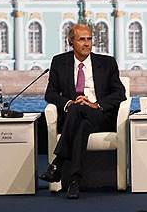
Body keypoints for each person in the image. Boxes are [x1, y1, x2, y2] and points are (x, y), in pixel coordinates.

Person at [39, 23, 127, 199]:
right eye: (81, 39)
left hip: (100, 115)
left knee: (81, 111)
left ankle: (58, 162)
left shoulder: (107, 62)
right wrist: (69, 103)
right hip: (75, 117)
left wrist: (95, 104)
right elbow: (51, 94)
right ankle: (74, 181)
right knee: (80, 122)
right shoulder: (59, 62)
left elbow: (120, 93)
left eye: (89, 39)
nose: (87, 44)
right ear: (71, 42)